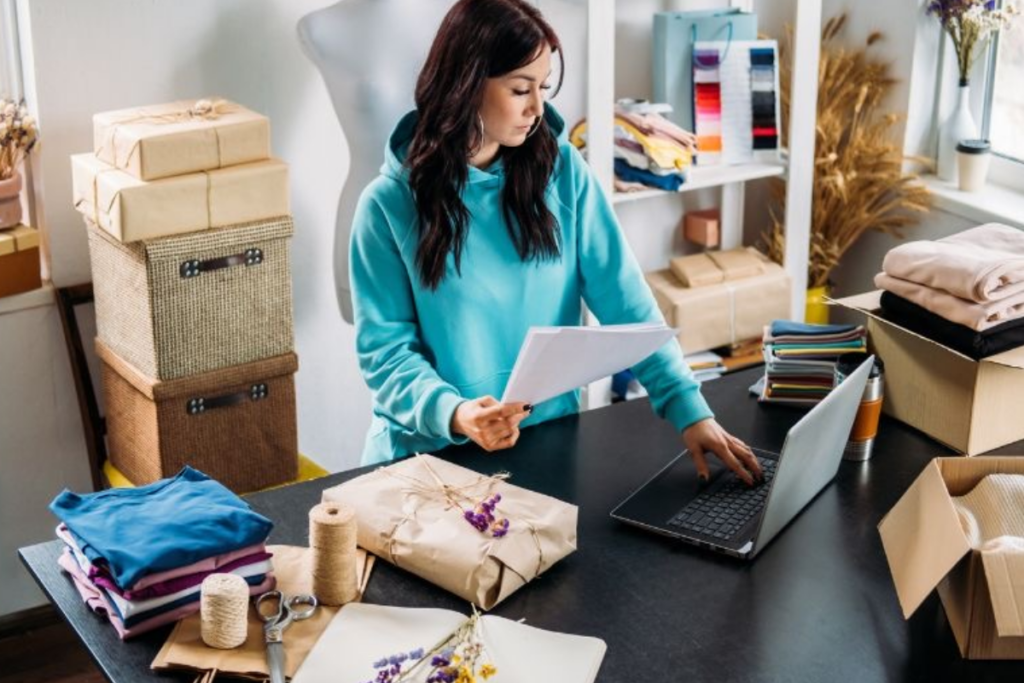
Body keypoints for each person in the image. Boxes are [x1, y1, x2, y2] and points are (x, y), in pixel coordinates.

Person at [349, 0, 762, 485]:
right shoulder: (386, 206)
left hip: (546, 445)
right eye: (520, 89)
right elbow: (387, 356)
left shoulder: (562, 172)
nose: (536, 108)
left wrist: (690, 411)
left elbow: (625, 301)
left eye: (542, 88)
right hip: (430, 459)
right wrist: (457, 413)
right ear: (465, 83)